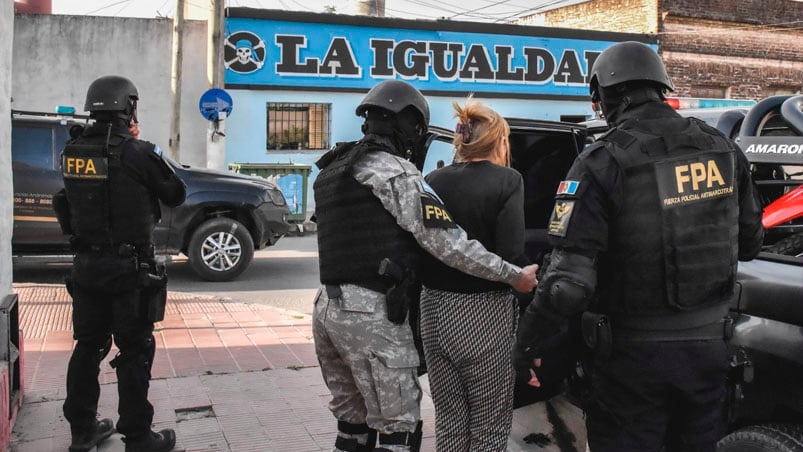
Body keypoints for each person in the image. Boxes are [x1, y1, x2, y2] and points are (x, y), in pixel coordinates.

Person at [514, 41, 764, 452]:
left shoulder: (601, 161)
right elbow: (751, 243)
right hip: (708, 358)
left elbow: (568, 285)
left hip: (633, 367)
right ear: (659, 87)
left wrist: (526, 344)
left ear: (605, 95)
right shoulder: (723, 149)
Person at [312, 80, 538, 452]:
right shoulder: (395, 172)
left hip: (328, 311)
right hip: (371, 317)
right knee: (398, 432)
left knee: (353, 426)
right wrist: (514, 276)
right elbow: (446, 243)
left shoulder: (334, 167)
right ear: (411, 125)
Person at [53, 75, 187, 452]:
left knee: (88, 347)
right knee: (134, 350)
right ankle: (138, 437)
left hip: (86, 267)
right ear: (129, 107)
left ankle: (82, 430)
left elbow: (68, 201)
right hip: (129, 271)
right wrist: (138, 143)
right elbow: (176, 193)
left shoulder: (73, 150)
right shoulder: (136, 152)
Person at [419, 98, 527, 451]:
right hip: (485, 315)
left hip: (434, 311)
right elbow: (511, 255)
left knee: (449, 423)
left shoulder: (433, 179)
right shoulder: (508, 181)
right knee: (489, 429)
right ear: (499, 141)